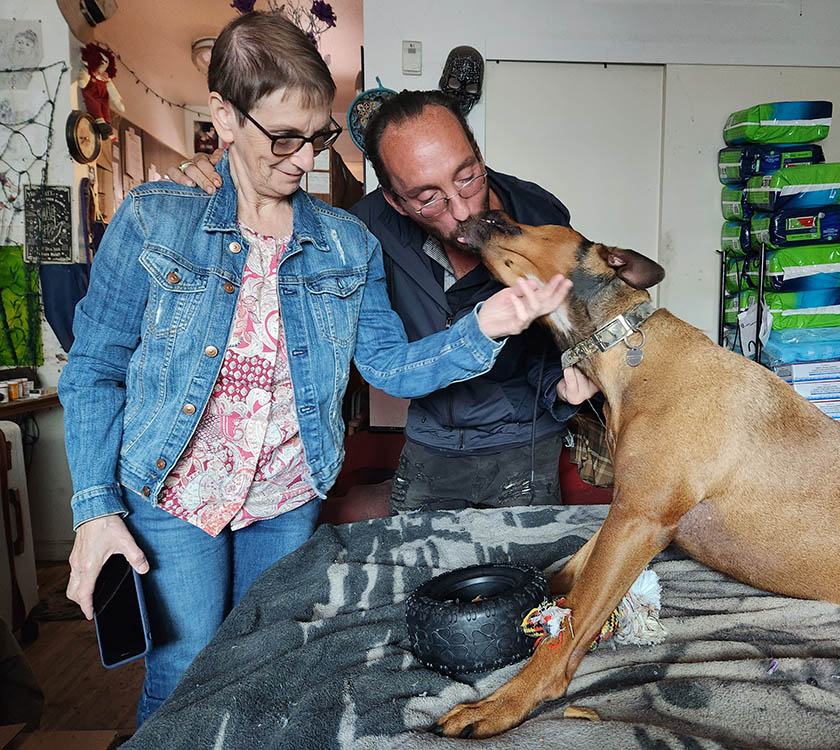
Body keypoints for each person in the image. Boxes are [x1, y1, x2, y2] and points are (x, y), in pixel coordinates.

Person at [59, 12, 570, 726]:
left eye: (319, 135)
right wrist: (94, 508)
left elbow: (388, 362)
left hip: (287, 492)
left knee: (269, 657)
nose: (304, 160)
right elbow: (93, 371)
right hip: (173, 489)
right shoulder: (153, 219)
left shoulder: (344, 242)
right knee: (186, 664)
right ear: (224, 117)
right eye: (284, 138)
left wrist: (483, 327)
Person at [170, 90, 599, 516]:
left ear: (478, 155)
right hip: (433, 441)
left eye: (468, 177)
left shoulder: (540, 211)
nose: (463, 209)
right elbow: (382, 362)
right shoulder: (362, 230)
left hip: (526, 439)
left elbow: (557, 330)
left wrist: (561, 385)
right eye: (429, 198)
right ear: (396, 201)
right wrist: (225, 185)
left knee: (526, 575)